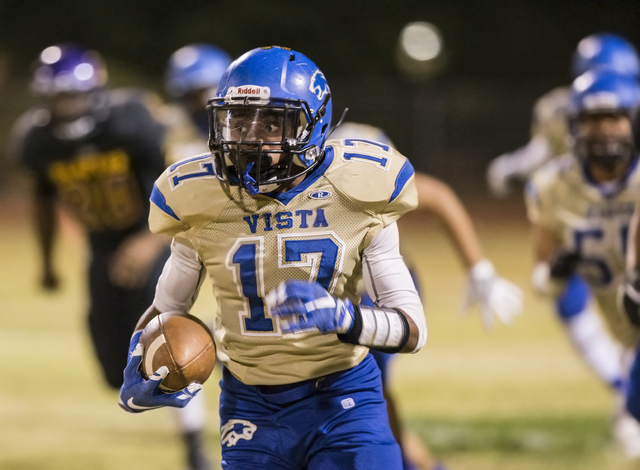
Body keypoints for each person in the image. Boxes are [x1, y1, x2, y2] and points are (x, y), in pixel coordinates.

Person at [118, 45, 427, 470]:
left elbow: (412, 329)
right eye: (239, 119)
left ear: (310, 125)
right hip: (250, 403)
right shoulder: (197, 197)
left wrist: (344, 319)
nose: (249, 135)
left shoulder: (358, 189)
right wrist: (142, 356)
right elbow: (166, 309)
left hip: (344, 396)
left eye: (272, 121)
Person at [10, 44, 211, 470]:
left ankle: (195, 444)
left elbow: (181, 185)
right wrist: (46, 263)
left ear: (94, 90)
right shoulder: (38, 140)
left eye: (72, 96)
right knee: (114, 370)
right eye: (57, 98)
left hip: (154, 239)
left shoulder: (132, 120)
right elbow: (44, 202)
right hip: (102, 251)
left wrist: (148, 240)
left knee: (166, 345)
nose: (66, 107)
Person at [330, 122, 523, 470]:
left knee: (363, 388)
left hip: (377, 295)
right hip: (336, 300)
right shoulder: (298, 177)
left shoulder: (363, 170)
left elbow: (438, 197)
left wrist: (478, 268)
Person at [525, 69, 640, 457]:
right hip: (623, 325)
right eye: (593, 119)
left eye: (614, 117)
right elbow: (542, 282)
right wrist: (557, 270)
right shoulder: (554, 188)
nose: (605, 129)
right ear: (575, 126)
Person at [487, 32, 640, 198]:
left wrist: (508, 168)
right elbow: (542, 152)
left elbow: (538, 154)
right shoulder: (561, 107)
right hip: (580, 197)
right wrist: (512, 167)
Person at [162, 43, 232, 164]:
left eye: (203, 91)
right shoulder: (175, 120)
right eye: (191, 95)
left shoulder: (241, 119)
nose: (200, 101)